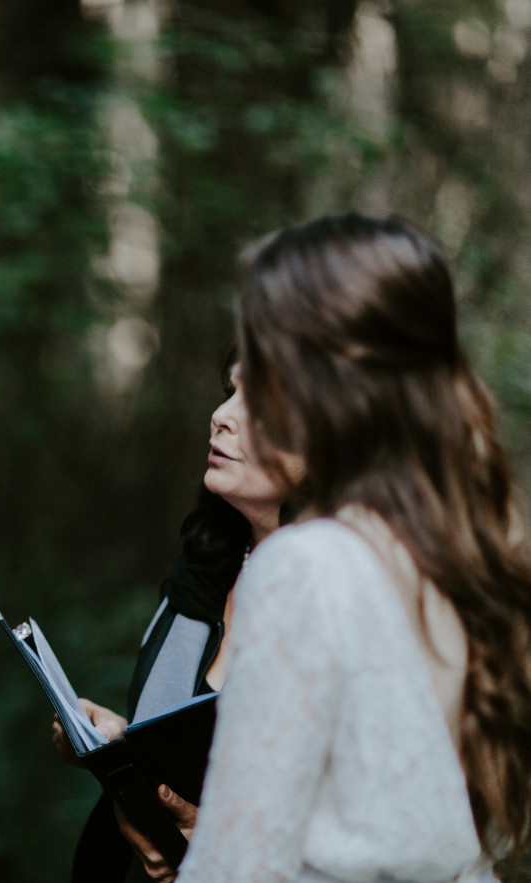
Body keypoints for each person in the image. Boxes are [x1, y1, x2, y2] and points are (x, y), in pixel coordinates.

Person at [175, 213, 531, 882]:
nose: (238, 393)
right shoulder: (460, 562)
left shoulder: (309, 568)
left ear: (321, 378)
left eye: (262, 361)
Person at [57, 355, 302, 882]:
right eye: (228, 391)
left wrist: (217, 848)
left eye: (255, 405)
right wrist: (120, 748)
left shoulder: (347, 608)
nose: (221, 414)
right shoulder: (201, 571)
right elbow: (184, 753)